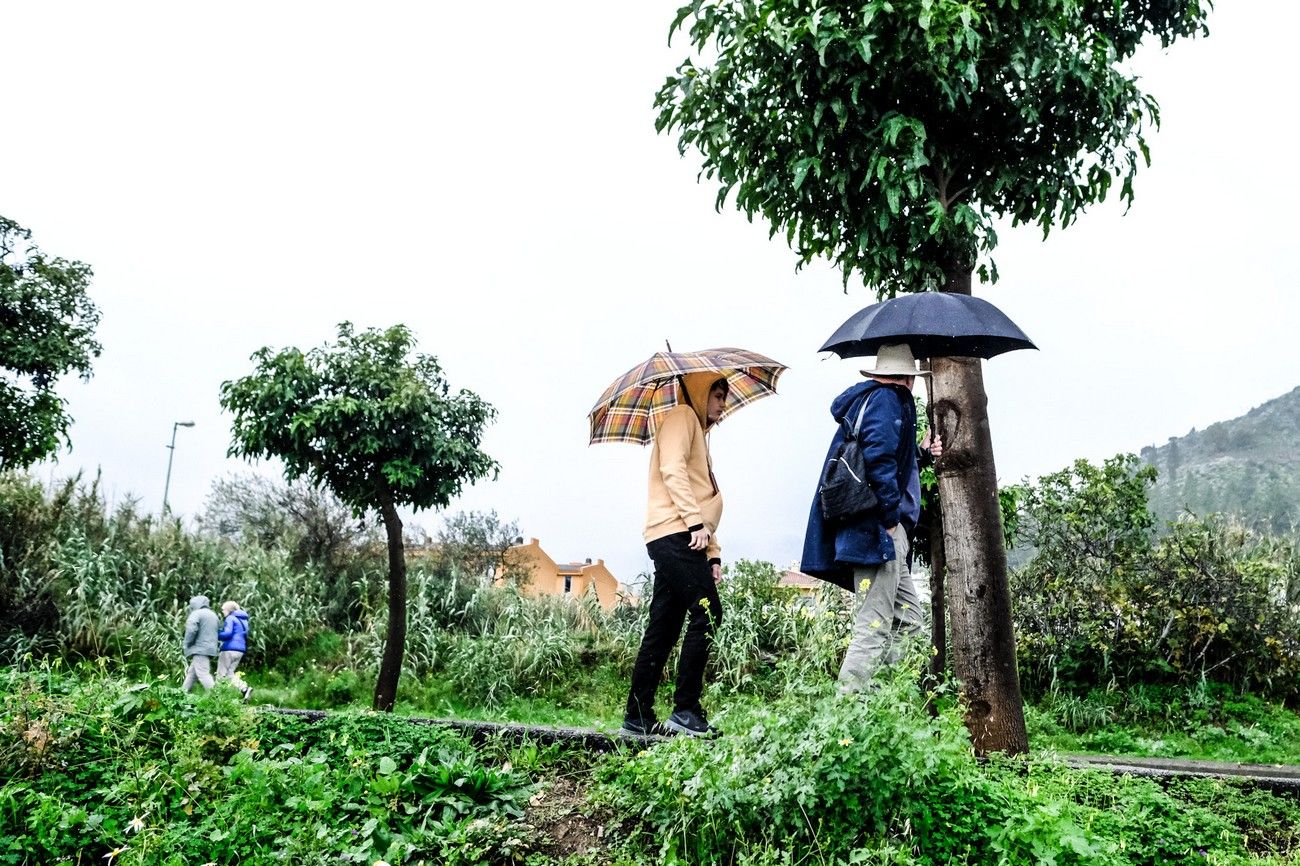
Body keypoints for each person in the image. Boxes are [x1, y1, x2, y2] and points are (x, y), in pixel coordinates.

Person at [800, 343, 941, 693]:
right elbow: (878, 458)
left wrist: (920, 453)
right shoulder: (888, 400)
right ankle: (846, 715)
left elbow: (884, 456)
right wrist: (890, 517)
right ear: (907, 378)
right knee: (874, 624)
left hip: (872, 529)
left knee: (909, 620)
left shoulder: (869, 401)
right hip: (878, 531)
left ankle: (882, 707)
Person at [623, 374, 729, 737]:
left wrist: (712, 553)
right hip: (676, 533)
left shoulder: (698, 431)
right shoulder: (682, 416)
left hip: (684, 534)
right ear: (699, 394)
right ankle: (686, 709)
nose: (722, 405)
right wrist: (696, 524)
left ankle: (637, 717)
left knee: (664, 627)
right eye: (717, 396)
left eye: (724, 398)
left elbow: (702, 493)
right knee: (708, 613)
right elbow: (672, 471)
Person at [181, 595, 220, 693]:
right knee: (192, 673)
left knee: (203, 674)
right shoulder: (213, 615)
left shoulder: (196, 614)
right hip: (210, 648)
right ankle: (182, 693)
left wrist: (186, 644)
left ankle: (216, 697)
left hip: (199, 648)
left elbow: (191, 629)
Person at [217, 600, 253, 701]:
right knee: (229, 674)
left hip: (229, 649)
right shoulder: (243, 620)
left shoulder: (230, 618)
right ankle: (244, 688)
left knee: (221, 674)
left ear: (229, 610)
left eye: (223, 610)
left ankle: (218, 699)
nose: (223, 612)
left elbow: (228, 633)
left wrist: (216, 634)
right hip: (240, 650)